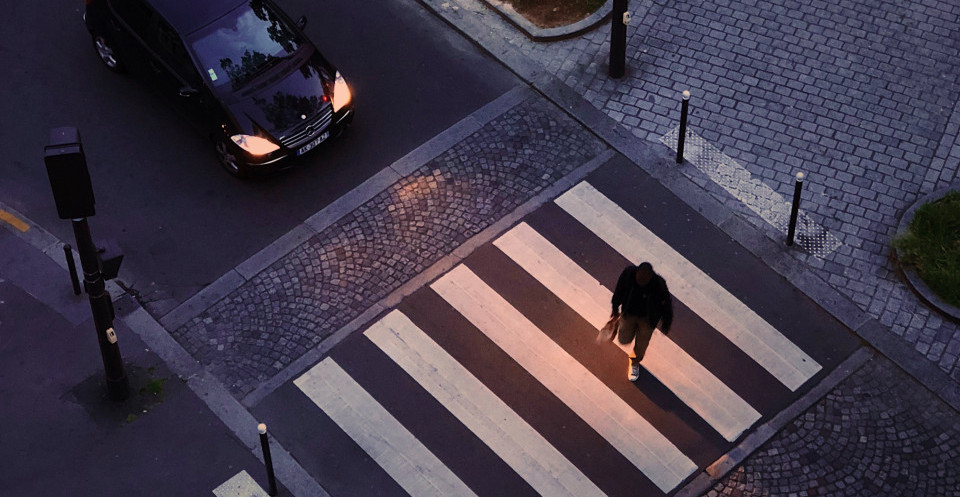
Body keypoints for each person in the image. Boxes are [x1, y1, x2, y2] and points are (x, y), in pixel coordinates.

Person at [611, 262, 673, 381]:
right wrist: (615, 307)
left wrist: (666, 322)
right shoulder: (628, 274)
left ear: (650, 277)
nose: (640, 282)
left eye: (644, 281)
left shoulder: (658, 284)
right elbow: (619, 289)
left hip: (647, 319)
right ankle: (631, 335)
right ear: (636, 272)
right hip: (629, 313)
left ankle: (634, 362)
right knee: (624, 339)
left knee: (641, 344)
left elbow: (666, 304)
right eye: (639, 279)